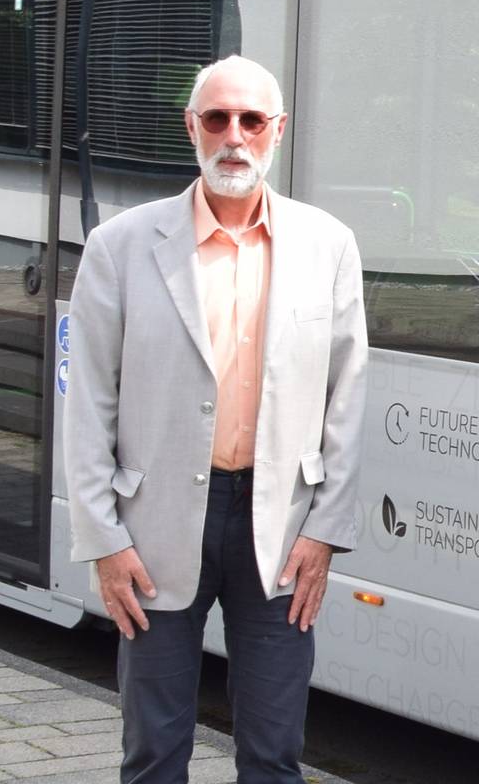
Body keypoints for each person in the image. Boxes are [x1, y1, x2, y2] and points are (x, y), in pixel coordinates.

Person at [61, 54, 369, 784]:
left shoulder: (328, 246)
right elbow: (88, 400)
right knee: (154, 752)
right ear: (191, 127)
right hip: (156, 528)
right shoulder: (121, 246)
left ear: (277, 131)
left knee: (272, 752)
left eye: (252, 120)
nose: (235, 136)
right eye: (218, 118)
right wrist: (103, 537)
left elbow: (347, 394)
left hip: (280, 531)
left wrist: (326, 528)